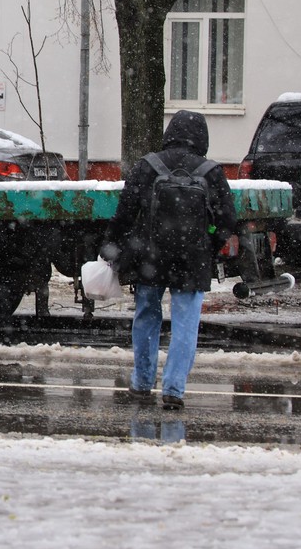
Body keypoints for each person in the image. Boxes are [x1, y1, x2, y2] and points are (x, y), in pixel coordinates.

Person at [101, 110, 237, 410]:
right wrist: (209, 245)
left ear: (169, 133)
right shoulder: (211, 171)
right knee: (186, 324)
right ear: (203, 138)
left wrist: (111, 246)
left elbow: (125, 211)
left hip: (151, 255)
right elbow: (228, 221)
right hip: (192, 260)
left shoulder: (149, 166)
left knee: (147, 317)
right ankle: (174, 389)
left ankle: (141, 382)